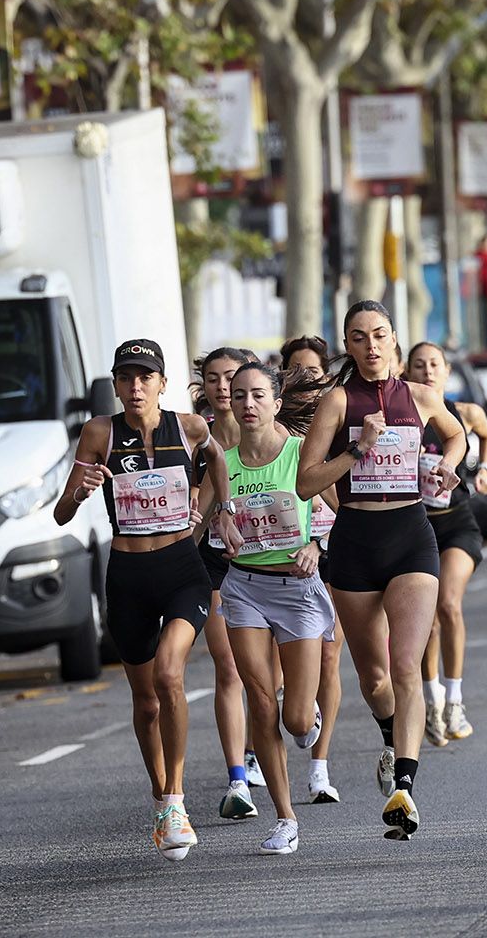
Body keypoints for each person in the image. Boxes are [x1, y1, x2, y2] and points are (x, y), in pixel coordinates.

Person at [54, 339, 241, 861]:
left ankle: (177, 799)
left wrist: (221, 510)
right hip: (129, 574)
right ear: (115, 385)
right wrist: (80, 490)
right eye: (126, 378)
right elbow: (61, 515)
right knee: (147, 700)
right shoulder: (99, 433)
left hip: (182, 569)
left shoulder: (190, 427)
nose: (136, 387)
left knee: (169, 673)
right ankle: (160, 798)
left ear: (162, 383)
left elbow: (217, 457)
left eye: (145, 378)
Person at [297, 301, 465, 841]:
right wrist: (357, 449)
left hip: (411, 538)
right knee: (374, 679)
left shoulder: (419, 396)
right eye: (359, 337)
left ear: (395, 340)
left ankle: (405, 789)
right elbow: (305, 482)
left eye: (380, 335)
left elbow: (456, 434)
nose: (371, 346)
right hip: (355, 544)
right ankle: (391, 736)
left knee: (406, 666)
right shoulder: (335, 403)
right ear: (348, 346)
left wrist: (447, 464)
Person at [216, 362, 333, 855]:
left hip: (297, 588)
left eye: (258, 395)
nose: (247, 404)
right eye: (239, 395)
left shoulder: (300, 453)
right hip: (243, 588)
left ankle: (310, 719)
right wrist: (219, 521)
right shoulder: (223, 462)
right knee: (261, 702)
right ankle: (285, 820)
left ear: (276, 403)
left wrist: (317, 546)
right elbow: (199, 516)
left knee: (297, 721)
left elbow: (342, 510)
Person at [405, 341, 487, 744]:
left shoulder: (466, 413)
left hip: (458, 523)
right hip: (416, 527)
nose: (427, 371)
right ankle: (432, 698)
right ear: (407, 372)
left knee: (448, 604)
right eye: (419, 365)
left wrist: (485, 469)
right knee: (427, 620)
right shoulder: (402, 418)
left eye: (434, 364)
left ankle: (456, 700)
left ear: (446, 372)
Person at [192, 346, 265, 820]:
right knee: (229, 667)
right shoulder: (194, 441)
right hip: (216, 566)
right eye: (214, 379)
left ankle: (266, 741)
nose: (223, 387)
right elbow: (191, 519)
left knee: (266, 678)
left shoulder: (277, 439)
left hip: (270, 564)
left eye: (232, 378)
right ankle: (237, 779)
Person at [279, 335, 344, 803]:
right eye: (294, 376)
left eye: (313, 377)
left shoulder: (337, 428)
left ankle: (319, 767)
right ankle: (287, 727)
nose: (305, 386)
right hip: (280, 559)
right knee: (282, 672)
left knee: (328, 657)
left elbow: (348, 503)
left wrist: (323, 542)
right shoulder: (270, 432)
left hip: (331, 550)